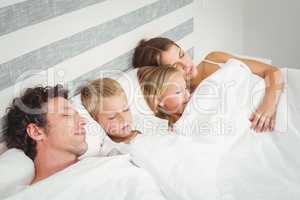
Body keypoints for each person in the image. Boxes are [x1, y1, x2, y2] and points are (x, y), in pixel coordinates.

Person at [132, 37, 284, 132]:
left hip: (278, 96)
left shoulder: (213, 58)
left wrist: (269, 105)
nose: (186, 65)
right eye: (175, 66)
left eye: (182, 54)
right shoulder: (180, 105)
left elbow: (272, 72)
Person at [4, 85, 87, 184]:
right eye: (67, 115)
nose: (83, 121)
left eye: (77, 115)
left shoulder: (104, 166)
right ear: (36, 132)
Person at [80, 78, 140, 144]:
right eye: (112, 117)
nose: (123, 119)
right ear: (96, 121)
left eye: (126, 109)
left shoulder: (144, 130)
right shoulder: (112, 150)